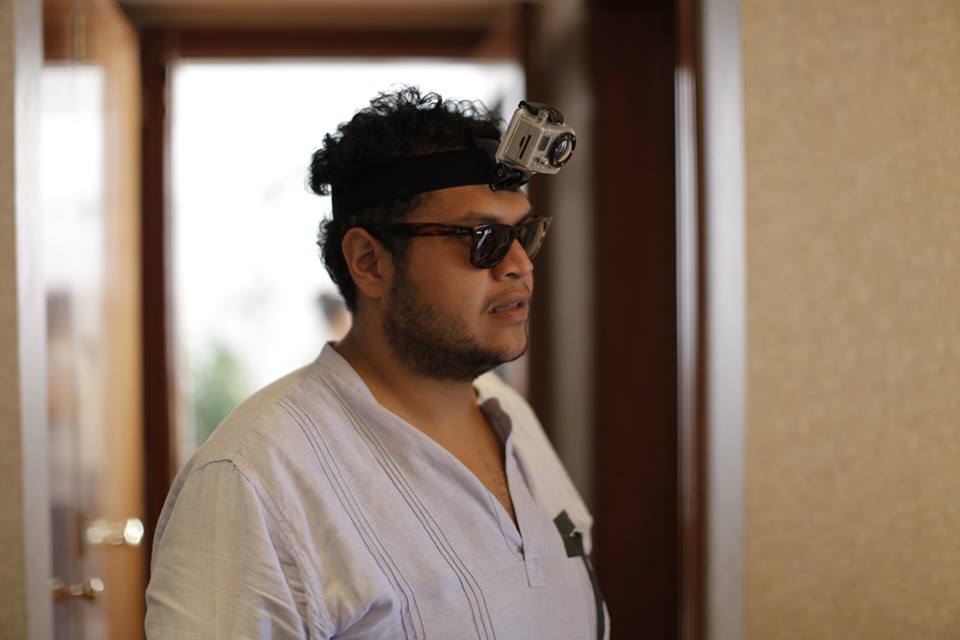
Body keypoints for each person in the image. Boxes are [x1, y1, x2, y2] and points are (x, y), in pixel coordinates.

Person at [145, 87, 608, 639]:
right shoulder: (256, 477)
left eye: (524, 236)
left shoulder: (512, 418)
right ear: (369, 262)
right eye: (483, 238)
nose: (519, 266)